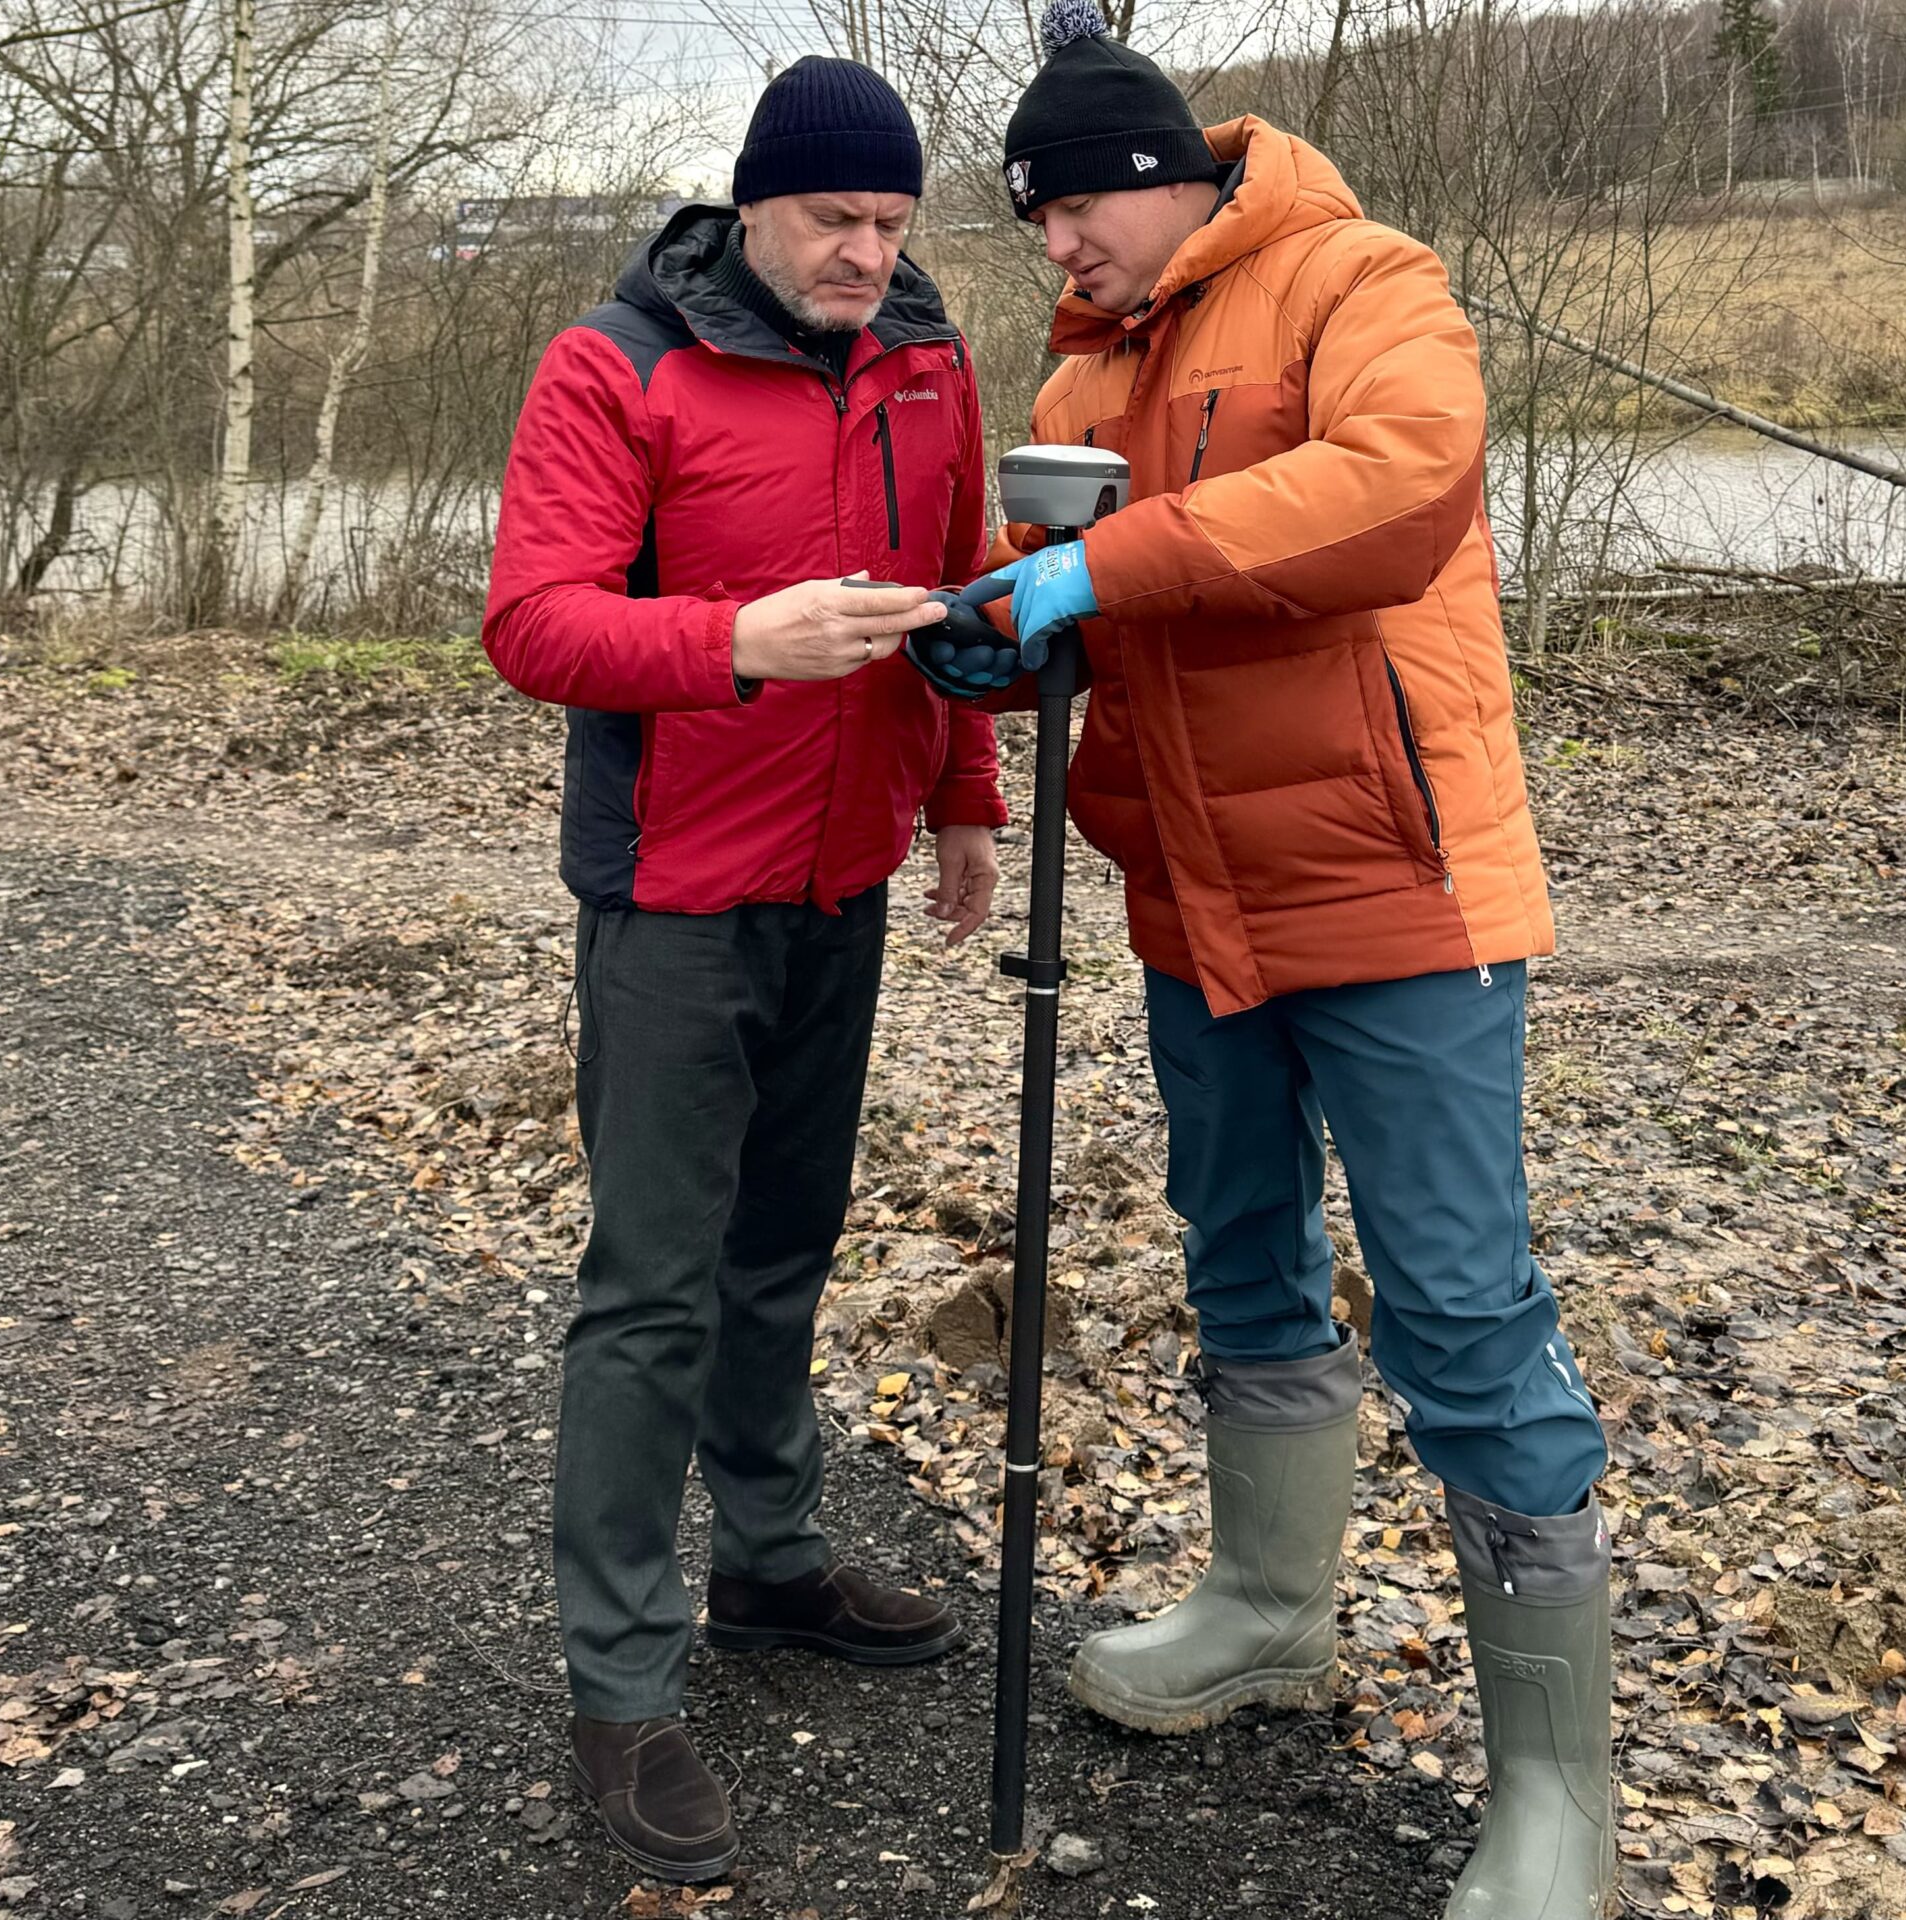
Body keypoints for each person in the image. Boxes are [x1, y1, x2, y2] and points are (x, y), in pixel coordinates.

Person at [972, 6, 1613, 1915]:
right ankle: (1267, 1609)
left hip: (1392, 882)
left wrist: (1111, 563)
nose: (1058, 255)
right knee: (1232, 1241)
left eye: (1074, 213)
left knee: (1455, 1303)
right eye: (1040, 227)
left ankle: (1559, 1798)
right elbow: (1108, 608)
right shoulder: (1081, 381)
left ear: (1167, 177)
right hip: (1194, 895)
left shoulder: (1364, 278)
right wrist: (1004, 624)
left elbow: (1397, 497)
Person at [481, 55, 1004, 1886]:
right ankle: (620, 1680)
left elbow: (956, 592)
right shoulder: (615, 364)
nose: (867, 252)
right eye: (833, 221)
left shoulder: (933, 362)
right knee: (653, 1286)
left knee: (785, 1247)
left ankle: (772, 1566)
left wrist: (963, 798)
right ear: (753, 205)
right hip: (674, 897)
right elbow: (533, 624)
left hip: (843, 879)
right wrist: (737, 641)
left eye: (890, 222)